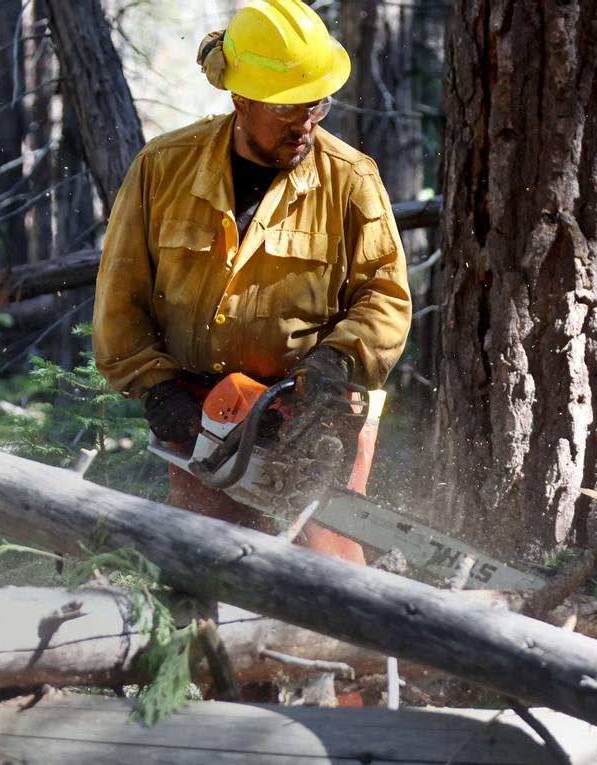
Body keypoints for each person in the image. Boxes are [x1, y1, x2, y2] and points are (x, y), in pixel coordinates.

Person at [92, 0, 412, 562]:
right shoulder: (164, 169)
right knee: (210, 570)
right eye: (287, 106)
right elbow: (121, 294)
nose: (306, 120)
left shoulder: (350, 179)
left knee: (329, 579)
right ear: (240, 98)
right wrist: (155, 386)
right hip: (204, 408)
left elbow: (384, 296)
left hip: (316, 412)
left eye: (317, 102)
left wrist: (337, 364)